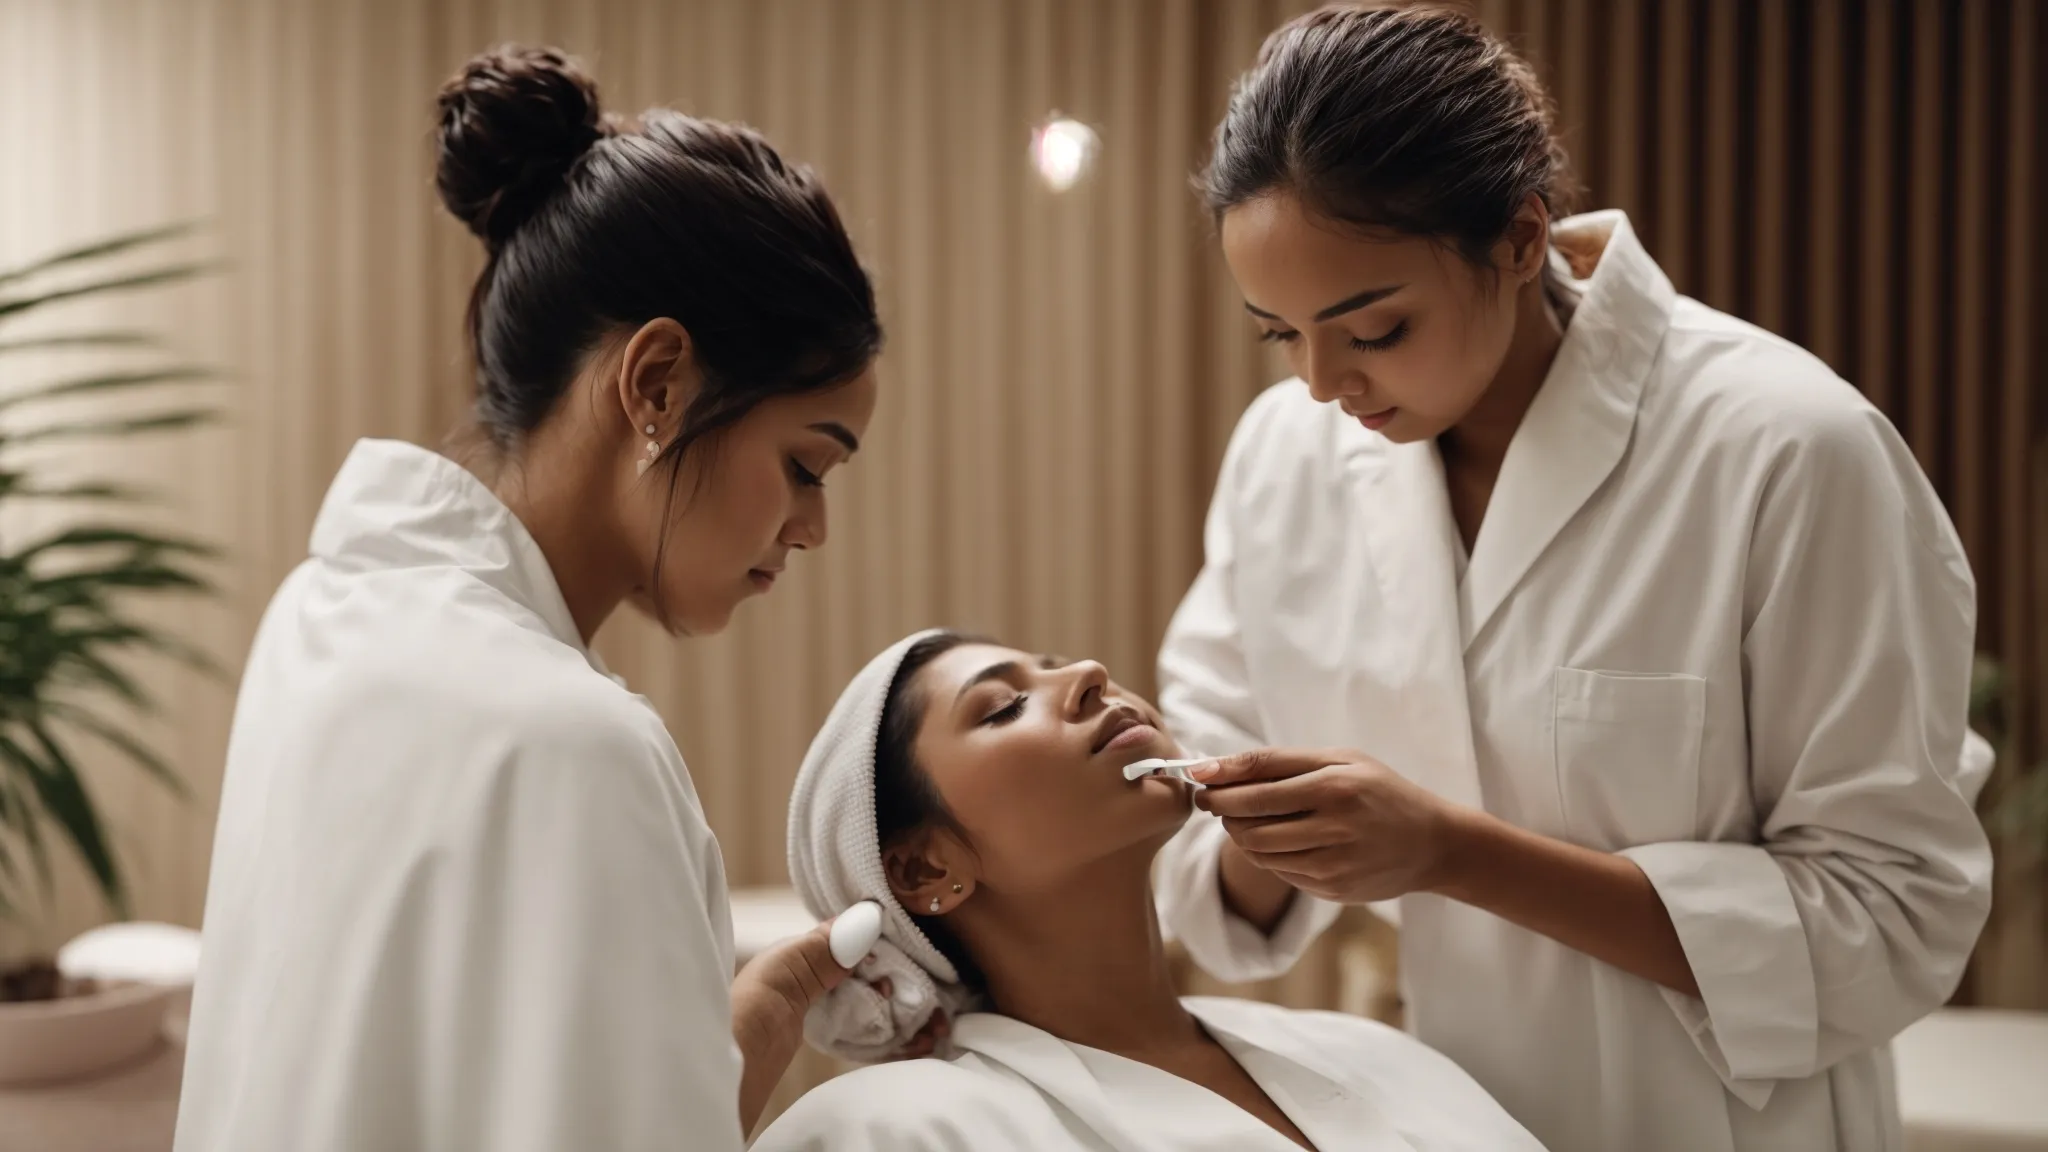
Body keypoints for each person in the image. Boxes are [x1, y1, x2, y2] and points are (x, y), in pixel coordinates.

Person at [1147, 6, 1994, 1151]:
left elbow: (1889, 915)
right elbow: (1203, 850)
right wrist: (1258, 832)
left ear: (1516, 237)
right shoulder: (1283, 460)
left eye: (1375, 328)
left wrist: (1452, 854)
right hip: (1424, 1119)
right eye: (1276, 335)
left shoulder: (1785, 450)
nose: (1319, 384)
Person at [175, 46, 879, 1152]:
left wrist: (743, 1024)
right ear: (655, 384)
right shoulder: (577, 746)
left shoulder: (321, 615)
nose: (812, 527)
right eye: (806, 463)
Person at [758, 630, 1545, 1151]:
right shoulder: (898, 1129)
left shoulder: (1374, 1055)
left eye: (1056, 659)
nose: (1088, 675)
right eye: (1003, 707)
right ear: (925, 871)